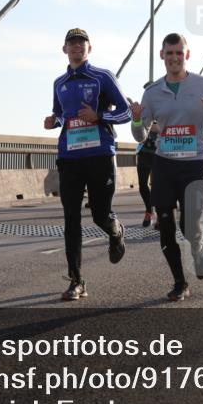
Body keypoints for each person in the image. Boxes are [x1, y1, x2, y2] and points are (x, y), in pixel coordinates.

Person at [129, 33, 203, 301]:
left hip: (195, 163)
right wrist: (136, 120)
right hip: (165, 163)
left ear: (187, 55)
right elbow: (140, 136)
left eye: (179, 53)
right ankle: (180, 282)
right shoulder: (152, 92)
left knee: (189, 223)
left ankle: (198, 247)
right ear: (162, 55)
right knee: (166, 223)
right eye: (169, 53)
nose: (174, 58)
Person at [44, 28, 130, 301]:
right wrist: (53, 121)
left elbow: (126, 112)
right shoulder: (59, 83)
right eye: (72, 43)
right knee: (71, 219)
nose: (77, 46)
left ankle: (115, 231)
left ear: (89, 48)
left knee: (99, 215)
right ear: (65, 49)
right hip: (69, 157)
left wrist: (99, 116)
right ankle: (76, 280)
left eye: (82, 43)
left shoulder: (102, 77)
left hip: (100, 154)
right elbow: (61, 114)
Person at [136, 121, 159, 227]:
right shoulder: (145, 112)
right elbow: (137, 128)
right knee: (142, 185)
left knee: (157, 185)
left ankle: (160, 215)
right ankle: (149, 211)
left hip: (159, 153)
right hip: (144, 152)